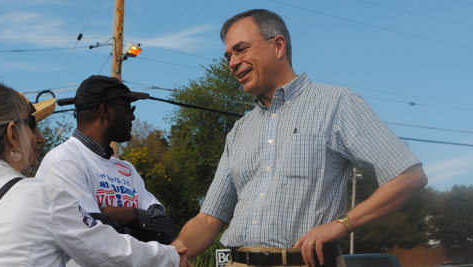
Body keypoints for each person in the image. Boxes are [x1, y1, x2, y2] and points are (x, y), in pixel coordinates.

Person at [171, 9, 428, 267]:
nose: (232, 62)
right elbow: (208, 219)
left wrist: (341, 225)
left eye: (241, 49)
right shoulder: (239, 131)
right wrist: (170, 254)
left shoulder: (336, 104)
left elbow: (409, 176)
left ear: (278, 46)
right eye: (229, 55)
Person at [0, 82, 190, 267]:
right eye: (31, 124)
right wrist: (171, 258)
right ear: (13, 134)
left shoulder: (126, 168)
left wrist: (127, 215)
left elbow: (165, 227)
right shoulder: (42, 194)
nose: (40, 138)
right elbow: (104, 247)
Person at [36, 75, 177, 246]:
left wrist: (131, 214)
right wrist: (147, 237)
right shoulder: (63, 161)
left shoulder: (127, 169)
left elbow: (168, 229)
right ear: (105, 111)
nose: (132, 117)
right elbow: (94, 239)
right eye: (128, 108)